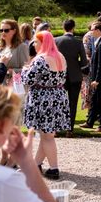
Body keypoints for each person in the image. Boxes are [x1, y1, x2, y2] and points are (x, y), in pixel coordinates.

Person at [21, 31, 71, 179]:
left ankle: (54, 168)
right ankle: (36, 164)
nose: (34, 45)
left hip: (43, 98)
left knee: (47, 136)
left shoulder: (40, 59)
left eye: (36, 42)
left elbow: (28, 80)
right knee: (47, 134)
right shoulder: (61, 57)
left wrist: (24, 70)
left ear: (43, 43)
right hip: (59, 96)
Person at [55, 19, 88, 134]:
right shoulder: (78, 42)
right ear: (73, 27)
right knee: (72, 103)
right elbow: (84, 62)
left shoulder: (56, 41)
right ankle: (70, 129)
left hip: (59, 76)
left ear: (63, 27)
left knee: (59, 102)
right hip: (75, 76)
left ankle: (58, 128)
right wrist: (75, 64)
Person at [81, 22, 101, 132]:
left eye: (93, 30)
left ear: (98, 30)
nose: (91, 32)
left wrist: (97, 80)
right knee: (94, 101)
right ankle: (90, 122)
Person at [0, 19, 29, 86]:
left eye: (6, 30)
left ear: (14, 31)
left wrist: (10, 71)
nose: (3, 32)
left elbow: (26, 69)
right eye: (1, 30)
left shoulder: (22, 47)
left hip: (14, 85)